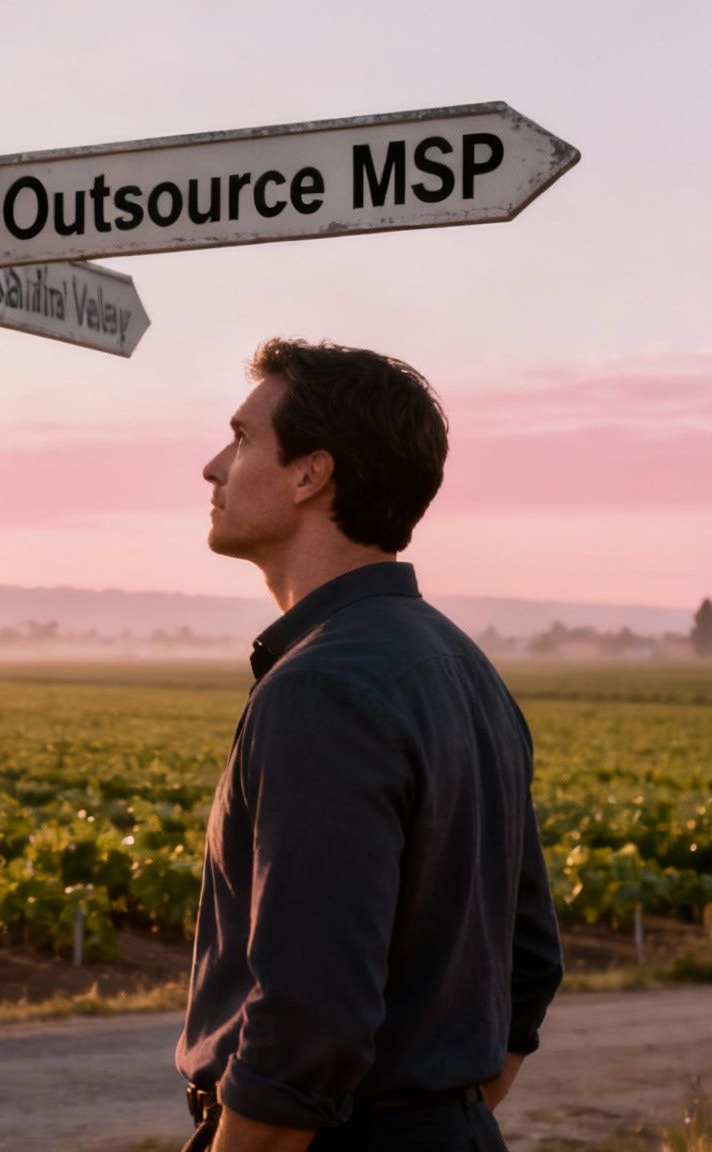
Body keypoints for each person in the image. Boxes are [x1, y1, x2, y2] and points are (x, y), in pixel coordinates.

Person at [175, 339, 563, 1152]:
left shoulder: (321, 689)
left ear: (311, 475)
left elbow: (304, 1028)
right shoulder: (464, 667)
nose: (214, 466)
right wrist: (440, 1116)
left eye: (242, 438)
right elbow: (527, 966)